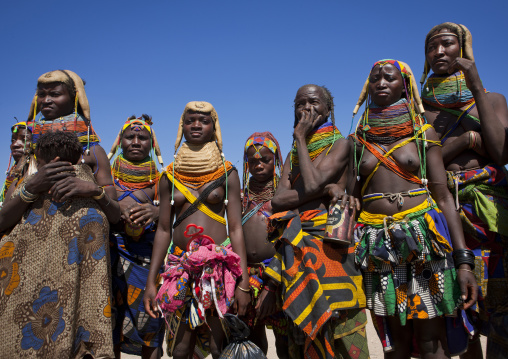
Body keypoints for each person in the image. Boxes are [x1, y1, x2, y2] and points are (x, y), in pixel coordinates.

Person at [347, 59, 477, 358]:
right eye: (375, 78)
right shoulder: (358, 139)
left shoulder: (423, 133)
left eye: (389, 78)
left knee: (431, 335)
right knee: (394, 334)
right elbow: (351, 198)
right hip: (377, 244)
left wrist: (463, 261)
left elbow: (443, 197)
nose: (381, 82)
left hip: (423, 239)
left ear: (404, 86)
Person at [421, 22, 508, 358]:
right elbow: (422, 162)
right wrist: (465, 141)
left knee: (502, 317)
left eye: (447, 44)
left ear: (464, 49)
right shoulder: (420, 108)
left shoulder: (492, 99)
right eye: (432, 48)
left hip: (490, 216)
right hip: (444, 214)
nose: (439, 52)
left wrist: (476, 86)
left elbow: (500, 152)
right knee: (461, 315)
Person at [268, 85, 369, 359]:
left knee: (341, 320)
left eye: (313, 102)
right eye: (300, 104)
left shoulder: (342, 144)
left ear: (328, 109)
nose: (306, 108)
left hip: (331, 241)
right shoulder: (292, 156)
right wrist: (325, 190)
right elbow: (277, 201)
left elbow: (310, 182)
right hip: (299, 243)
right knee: (303, 325)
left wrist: (300, 137)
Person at [143, 101, 250, 359]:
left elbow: (235, 228)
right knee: (180, 348)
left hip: (219, 268)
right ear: (182, 126)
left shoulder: (227, 173)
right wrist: (151, 280)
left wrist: (243, 282)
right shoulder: (169, 175)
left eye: (203, 120)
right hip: (180, 265)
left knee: (218, 345)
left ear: (214, 127)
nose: (196, 125)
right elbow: (164, 230)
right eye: (190, 120)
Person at [0, 131, 114, 358]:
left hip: (30, 312)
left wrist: (30, 186)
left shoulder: (31, 187)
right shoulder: (92, 202)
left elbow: (3, 221)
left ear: (39, 157)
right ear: (81, 156)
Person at [27, 69, 120, 224]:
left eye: (55, 94)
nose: (46, 100)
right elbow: (3, 219)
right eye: (41, 94)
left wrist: (93, 191)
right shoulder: (30, 154)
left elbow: (115, 216)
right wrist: (32, 187)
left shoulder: (92, 152)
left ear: (74, 98)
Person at [107, 115, 165, 358]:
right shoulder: (106, 177)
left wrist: (156, 211)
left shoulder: (162, 179)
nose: (136, 141)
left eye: (143, 137)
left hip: (146, 258)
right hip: (110, 255)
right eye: (130, 136)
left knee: (150, 322)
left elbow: (171, 216)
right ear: (120, 142)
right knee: (111, 324)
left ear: (151, 144)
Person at [240, 131, 288, 358]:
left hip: (278, 276)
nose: (258, 165)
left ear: (277, 161)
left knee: (284, 339)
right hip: (246, 276)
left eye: (265, 159)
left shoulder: (283, 197)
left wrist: (273, 281)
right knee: (252, 336)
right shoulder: (240, 198)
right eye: (253, 161)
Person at [0, 121, 33, 204]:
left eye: (24, 140)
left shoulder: (41, 171)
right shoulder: (13, 172)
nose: (15, 144)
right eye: (13, 140)